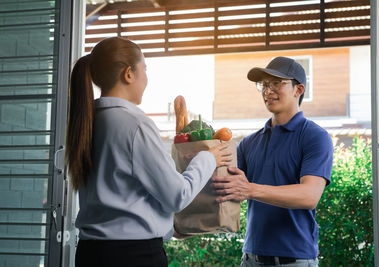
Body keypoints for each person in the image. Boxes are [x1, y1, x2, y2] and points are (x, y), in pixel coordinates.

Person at [65, 37, 232, 267]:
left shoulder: (87, 121)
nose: (146, 78)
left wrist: (164, 224)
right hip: (133, 257)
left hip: (90, 254)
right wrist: (208, 158)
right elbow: (177, 196)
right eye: (145, 69)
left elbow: (122, 192)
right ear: (129, 74)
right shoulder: (135, 124)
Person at [212, 57, 333, 266]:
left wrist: (249, 190)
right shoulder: (249, 143)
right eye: (264, 85)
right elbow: (226, 188)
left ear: (298, 89)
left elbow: (309, 196)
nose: (268, 91)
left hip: (295, 260)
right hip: (251, 258)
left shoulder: (315, 137)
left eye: (276, 83)